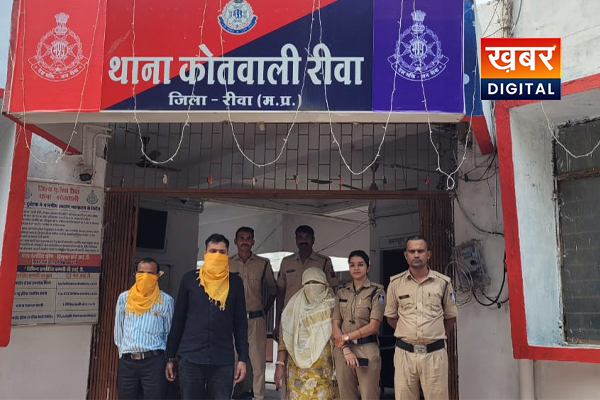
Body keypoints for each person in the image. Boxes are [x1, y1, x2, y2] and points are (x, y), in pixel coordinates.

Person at [165, 233, 248, 399]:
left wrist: (242, 358)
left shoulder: (235, 283)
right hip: (191, 356)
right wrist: (170, 356)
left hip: (222, 358)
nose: (217, 255)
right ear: (205, 253)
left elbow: (240, 324)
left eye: (222, 252)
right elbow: (179, 319)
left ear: (227, 254)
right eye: (213, 251)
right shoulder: (190, 279)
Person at [384, 235, 458, 400]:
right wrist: (409, 332)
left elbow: (450, 317)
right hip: (405, 355)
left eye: (420, 251)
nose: (416, 255)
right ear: (406, 255)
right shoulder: (395, 284)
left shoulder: (443, 283)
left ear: (428, 254)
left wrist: (433, 335)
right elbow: (391, 318)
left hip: (434, 355)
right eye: (412, 251)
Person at [274, 268, 338, 400]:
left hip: (324, 371)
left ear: (325, 284)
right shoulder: (292, 308)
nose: (312, 287)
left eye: (316, 283)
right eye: (308, 283)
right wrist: (279, 364)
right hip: (297, 372)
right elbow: (284, 339)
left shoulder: (332, 306)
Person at [114, 258, 174, 400]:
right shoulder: (124, 298)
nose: (145, 277)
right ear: (136, 274)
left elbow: (168, 333)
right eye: (141, 273)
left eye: (150, 274)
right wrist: (122, 354)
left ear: (158, 276)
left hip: (153, 362)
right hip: (128, 362)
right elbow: (118, 329)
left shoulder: (166, 301)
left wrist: (168, 360)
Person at [230, 227, 278, 400]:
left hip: (255, 319)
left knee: (258, 364)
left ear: (253, 242)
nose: (244, 241)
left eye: (248, 238)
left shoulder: (262, 263)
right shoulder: (227, 263)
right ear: (235, 241)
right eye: (241, 238)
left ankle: (258, 397)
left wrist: (264, 310)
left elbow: (274, 290)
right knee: (231, 361)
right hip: (233, 320)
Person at [332, 250, 386, 400]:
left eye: (360, 264)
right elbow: (335, 324)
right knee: (346, 395)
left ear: (368, 268)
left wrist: (347, 337)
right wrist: (345, 347)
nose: (356, 268)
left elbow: (373, 326)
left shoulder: (377, 291)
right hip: (343, 350)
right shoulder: (341, 292)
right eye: (352, 265)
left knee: (369, 395)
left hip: (366, 348)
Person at [274, 225, 339, 341]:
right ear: (296, 240)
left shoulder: (324, 262)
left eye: (307, 237)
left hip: (315, 319)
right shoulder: (286, 262)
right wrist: (277, 322)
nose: (303, 241)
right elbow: (280, 293)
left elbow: (332, 291)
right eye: (300, 237)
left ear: (313, 240)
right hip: (290, 318)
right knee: (288, 350)